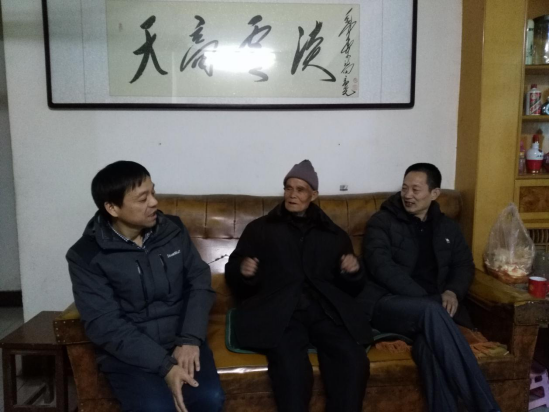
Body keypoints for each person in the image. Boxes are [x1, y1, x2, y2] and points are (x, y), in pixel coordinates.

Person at [66, 161, 224, 412]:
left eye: (153, 192)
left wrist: (189, 339)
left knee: (208, 398)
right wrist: (166, 366)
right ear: (112, 208)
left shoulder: (172, 230)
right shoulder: (86, 255)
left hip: (182, 340)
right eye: (142, 198)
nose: (154, 202)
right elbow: (105, 324)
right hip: (130, 353)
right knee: (155, 408)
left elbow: (199, 282)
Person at [225, 160, 371, 412]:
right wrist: (244, 271)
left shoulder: (333, 234)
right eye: (288, 188)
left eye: (300, 189)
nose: (292, 195)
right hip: (280, 311)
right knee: (290, 370)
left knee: (353, 360)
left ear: (313, 195)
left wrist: (353, 272)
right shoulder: (260, 229)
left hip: (323, 311)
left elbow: (350, 289)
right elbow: (234, 271)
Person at [358, 163, 501, 412]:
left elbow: (464, 265)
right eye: (405, 188)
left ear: (434, 193)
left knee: (431, 350)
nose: (408, 195)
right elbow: (381, 267)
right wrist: (428, 299)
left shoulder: (447, 227)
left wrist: (452, 291)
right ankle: (488, 409)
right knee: (431, 311)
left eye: (416, 189)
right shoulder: (382, 222)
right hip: (388, 304)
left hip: (432, 314)